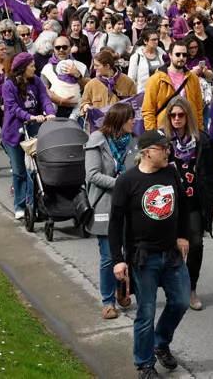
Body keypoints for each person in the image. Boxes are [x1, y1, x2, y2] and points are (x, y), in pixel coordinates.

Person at [109, 128, 190, 379]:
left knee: (181, 302)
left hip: (171, 254)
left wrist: (183, 235)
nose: (168, 152)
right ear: (146, 152)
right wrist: (118, 260)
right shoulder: (126, 181)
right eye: (162, 148)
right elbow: (115, 223)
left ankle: (160, 342)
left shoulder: (170, 173)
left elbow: (183, 205)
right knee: (146, 313)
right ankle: (144, 364)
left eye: (168, 147)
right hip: (143, 258)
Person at [162, 95, 213, 311]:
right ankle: (175, 287)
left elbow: (209, 173)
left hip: (194, 201)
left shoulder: (201, 140)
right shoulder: (163, 140)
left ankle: (191, 288)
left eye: (181, 115)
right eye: (173, 115)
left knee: (196, 244)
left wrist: (212, 201)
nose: (176, 119)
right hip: (169, 203)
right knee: (170, 247)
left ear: (188, 116)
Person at [85, 101, 137, 319]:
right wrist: (121, 184)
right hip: (105, 205)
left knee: (128, 253)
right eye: (130, 117)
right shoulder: (97, 140)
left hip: (129, 207)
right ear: (119, 120)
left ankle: (122, 290)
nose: (134, 121)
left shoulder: (133, 141)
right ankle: (108, 301)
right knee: (108, 256)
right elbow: (92, 175)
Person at [0, 53, 56, 219]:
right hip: (14, 133)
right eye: (31, 66)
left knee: (33, 170)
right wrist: (30, 116)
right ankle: (19, 206)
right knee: (19, 171)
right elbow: (13, 108)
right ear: (23, 68)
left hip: (34, 131)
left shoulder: (36, 81)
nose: (34, 68)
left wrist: (50, 113)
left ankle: (32, 205)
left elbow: (45, 98)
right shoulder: (9, 85)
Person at [143, 42, 203, 131]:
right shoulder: (155, 79)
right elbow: (148, 110)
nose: (181, 58)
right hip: (164, 130)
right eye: (178, 54)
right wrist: (153, 134)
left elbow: (198, 108)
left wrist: (199, 131)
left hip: (188, 129)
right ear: (170, 55)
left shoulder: (193, 78)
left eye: (184, 55)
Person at [80, 49, 137, 118]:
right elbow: (83, 106)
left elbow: (135, 106)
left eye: (97, 65)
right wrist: (85, 107)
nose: (94, 68)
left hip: (121, 123)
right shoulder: (91, 84)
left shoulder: (128, 82)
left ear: (107, 66)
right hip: (100, 123)